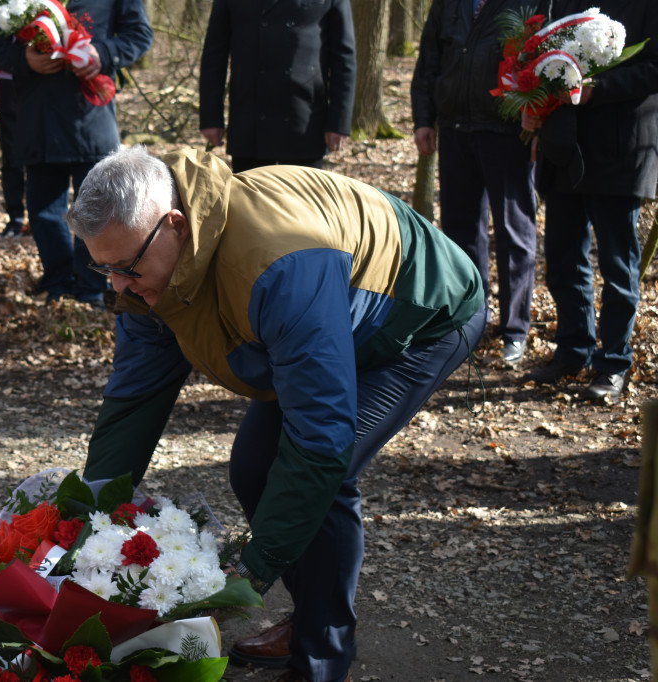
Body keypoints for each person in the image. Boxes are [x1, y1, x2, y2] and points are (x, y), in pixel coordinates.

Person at [67, 146, 487, 682]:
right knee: (254, 468)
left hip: (421, 314)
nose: (118, 285)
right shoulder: (148, 266)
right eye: (104, 268)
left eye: (126, 268)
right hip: (327, 318)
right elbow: (134, 398)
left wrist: (250, 569)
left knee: (324, 478)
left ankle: (321, 659)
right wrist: (86, 519)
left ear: (175, 224)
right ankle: (311, 616)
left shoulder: (277, 265)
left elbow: (320, 440)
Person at [521, 0, 658, 398]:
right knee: (563, 258)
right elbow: (546, 66)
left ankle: (614, 363)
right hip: (564, 149)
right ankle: (573, 350)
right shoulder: (562, 2)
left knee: (617, 265)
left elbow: (653, 68)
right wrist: (534, 108)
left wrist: (597, 91)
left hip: (621, 149)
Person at [0, 0, 153, 307]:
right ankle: (58, 283)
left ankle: (91, 287)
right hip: (37, 114)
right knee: (44, 211)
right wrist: (24, 58)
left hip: (92, 115)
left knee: (98, 210)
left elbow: (139, 34)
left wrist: (104, 54)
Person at [410, 0, 542, 365]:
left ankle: (515, 330)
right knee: (459, 233)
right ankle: (468, 322)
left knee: (514, 233)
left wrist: (538, 118)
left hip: (507, 131)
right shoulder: (448, 5)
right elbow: (429, 60)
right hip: (454, 128)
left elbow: (543, 60)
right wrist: (423, 118)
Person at [198, 0, 356, 173]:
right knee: (251, 199)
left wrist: (339, 122)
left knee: (302, 198)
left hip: (306, 119)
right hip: (250, 118)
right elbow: (214, 55)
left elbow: (344, 58)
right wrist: (211, 117)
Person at [0, 73, 28, 237]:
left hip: (46, 81)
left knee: (44, 159)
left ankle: (40, 219)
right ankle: (16, 218)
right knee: (11, 155)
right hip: (8, 80)